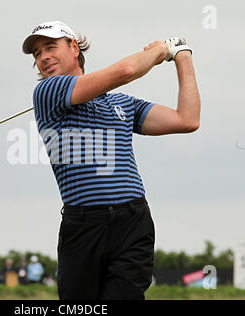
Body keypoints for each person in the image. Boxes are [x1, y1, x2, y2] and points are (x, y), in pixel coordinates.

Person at [22, 21, 200, 300]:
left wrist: (182, 55)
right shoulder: (48, 91)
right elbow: (127, 70)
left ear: (73, 47)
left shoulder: (123, 104)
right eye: (36, 53)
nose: (42, 57)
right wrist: (161, 50)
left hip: (133, 221)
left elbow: (187, 119)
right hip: (84, 226)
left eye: (49, 47)